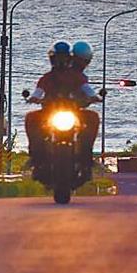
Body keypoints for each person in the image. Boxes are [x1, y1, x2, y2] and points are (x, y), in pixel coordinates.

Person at [24, 40, 102, 179]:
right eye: (57, 59)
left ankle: (87, 155)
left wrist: (93, 97)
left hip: (73, 113)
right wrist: (33, 98)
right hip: (50, 113)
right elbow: (38, 91)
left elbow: (86, 89)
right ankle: (35, 156)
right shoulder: (47, 78)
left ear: (69, 59)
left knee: (93, 118)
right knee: (31, 118)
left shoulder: (76, 76)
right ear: (52, 60)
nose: (61, 62)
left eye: (64, 59)